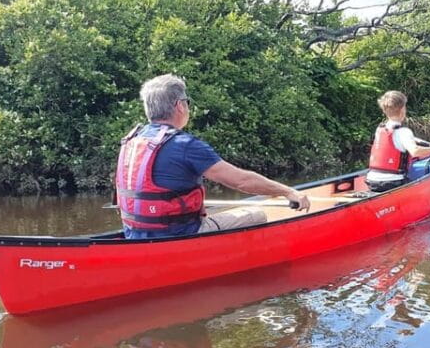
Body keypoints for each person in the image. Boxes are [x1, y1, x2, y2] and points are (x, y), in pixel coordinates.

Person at [116, 74, 310, 240]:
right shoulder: (185, 145)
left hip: (134, 232)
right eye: (187, 102)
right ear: (179, 106)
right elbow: (241, 181)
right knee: (257, 215)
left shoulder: (134, 139)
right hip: (180, 235)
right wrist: (288, 192)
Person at [365, 90, 430, 192]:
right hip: (393, 183)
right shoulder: (404, 132)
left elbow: (396, 141)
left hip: (372, 181)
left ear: (384, 111)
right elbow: (415, 152)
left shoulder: (380, 128)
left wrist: (419, 142)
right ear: (402, 110)